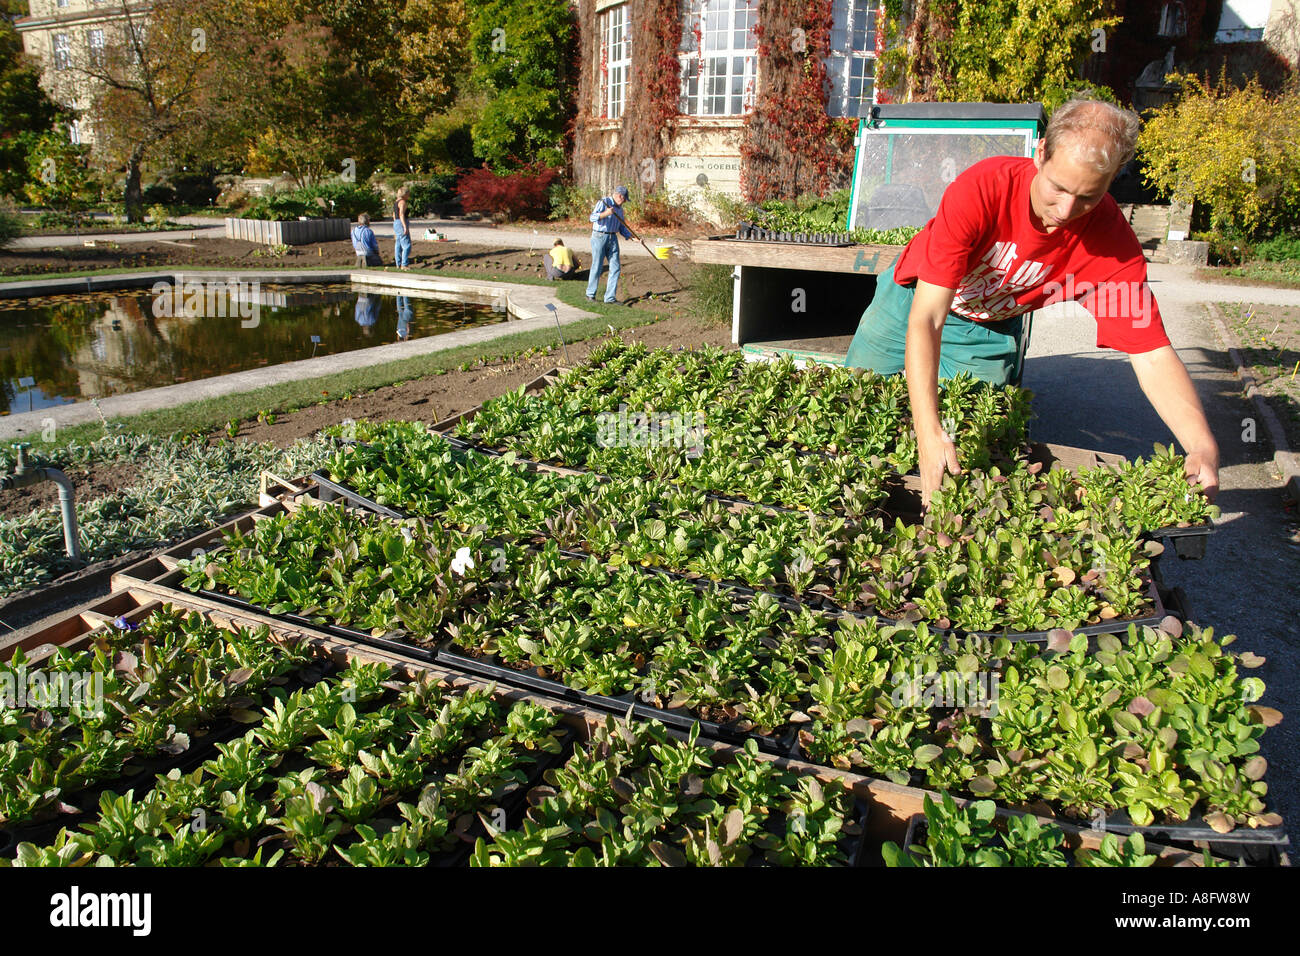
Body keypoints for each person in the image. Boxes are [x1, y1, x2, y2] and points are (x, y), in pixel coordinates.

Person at [843, 97, 1219, 506]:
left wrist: (1201, 444)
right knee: (859, 403)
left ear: (1111, 180)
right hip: (911, 300)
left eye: (1088, 198)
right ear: (1040, 153)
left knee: (974, 444)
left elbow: (1150, 353)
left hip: (985, 328)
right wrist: (927, 431)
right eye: (1058, 188)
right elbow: (927, 319)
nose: (1067, 210)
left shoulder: (1109, 244)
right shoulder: (983, 188)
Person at [587, 185, 633, 303]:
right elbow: (592, 217)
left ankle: (610, 298)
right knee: (597, 266)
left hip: (613, 238)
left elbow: (621, 227)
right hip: (599, 236)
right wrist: (605, 213)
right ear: (619, 196)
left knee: (615, 267)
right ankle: (590, 295)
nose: (624, 203)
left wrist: (632, 238)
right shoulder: (604, 202)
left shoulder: (620, 210)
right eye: (624, 200)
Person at [393, 185, 412, 270]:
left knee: (398, 244)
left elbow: (394, 215)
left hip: (396, 223)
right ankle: (404, 265)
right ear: (405, 194)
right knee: (406, 245)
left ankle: (398, 263)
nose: (409, 195)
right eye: (408, 194)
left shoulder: (396, 202)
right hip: (401, 223)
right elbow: (401, 214)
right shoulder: (403, 202)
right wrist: (405, 227)